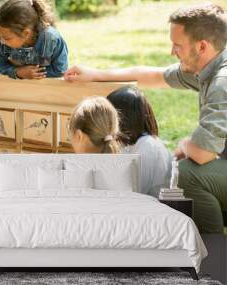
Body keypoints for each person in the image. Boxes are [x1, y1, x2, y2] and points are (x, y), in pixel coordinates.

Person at [64, 3, 227, 233]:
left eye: (177, 45)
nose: (172, 51)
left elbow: (202, 153)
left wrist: (185, 144)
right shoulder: (207, 67)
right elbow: (155, 75)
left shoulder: (221, 81)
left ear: (202, 46)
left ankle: (214, 253)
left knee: (189, 175)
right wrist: (96, 74)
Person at [107, 86, 172, 197]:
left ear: (123, 119)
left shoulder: (148, 147)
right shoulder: (129, 144)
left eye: (108, 116)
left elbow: (134, 193)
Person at [0, 0, 68, 79]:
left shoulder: (52, 39)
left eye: (6, 38)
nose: (1, 41)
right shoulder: (4, 41)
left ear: (26, 33)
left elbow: (60, 69)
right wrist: (18, 72)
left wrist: (35, 73)